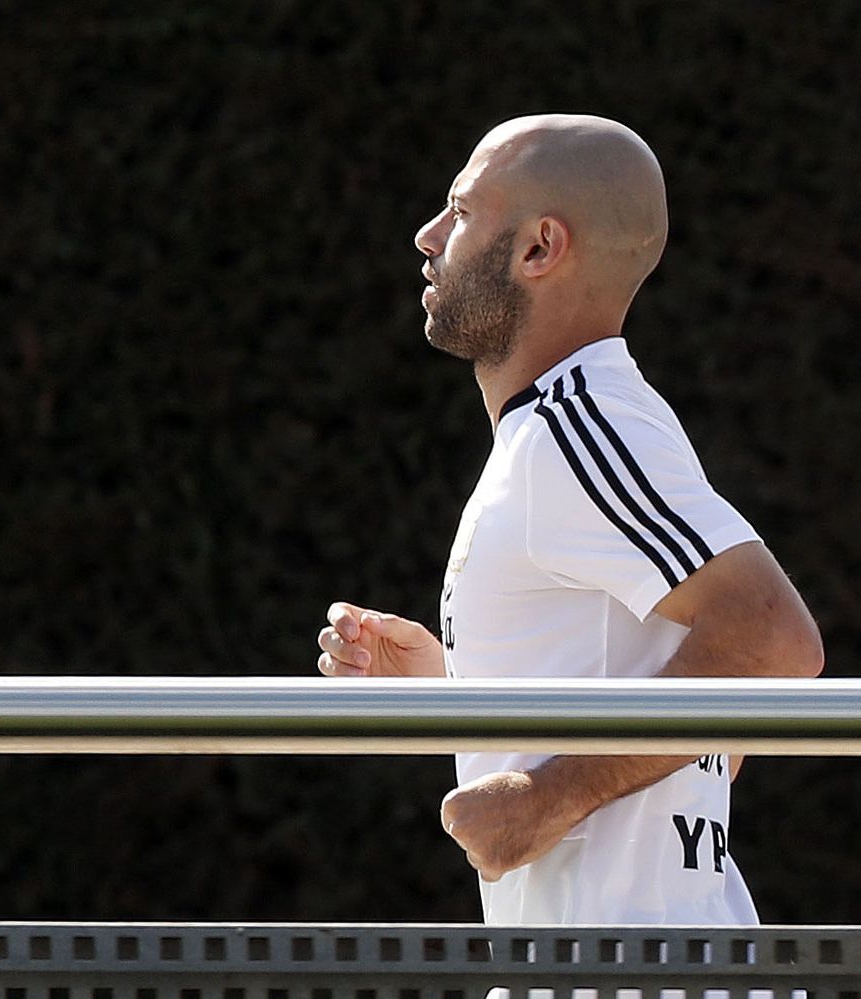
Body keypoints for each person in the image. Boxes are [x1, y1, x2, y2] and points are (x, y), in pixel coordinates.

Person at [315, 114, 824, 925]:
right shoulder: (583, 425)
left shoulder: (574, 428)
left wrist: (544, 797)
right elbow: (713, 720)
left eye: (461, 209)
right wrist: (454, 685)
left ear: (539, 248)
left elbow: (772, 641)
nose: (427, 234)